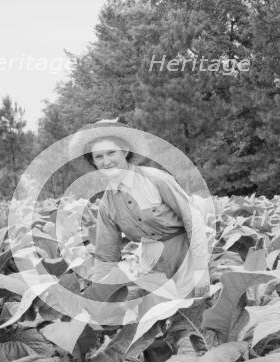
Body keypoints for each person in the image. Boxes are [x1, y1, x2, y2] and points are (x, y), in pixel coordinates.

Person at [73, 122, 211, 304]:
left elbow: (193, 221)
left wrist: (200, 271)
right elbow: (106, 255)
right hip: (151, 265)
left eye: (111, 152)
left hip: (185, 254)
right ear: (94, 162)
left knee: (196, 309)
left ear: (124, 151)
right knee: (163, 320)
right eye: (99, 157)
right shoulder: (107, 204)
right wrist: (98, 297)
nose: (106, 161)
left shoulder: (156, 179)